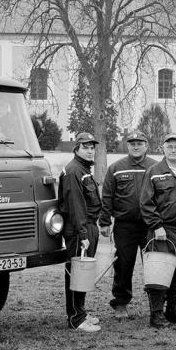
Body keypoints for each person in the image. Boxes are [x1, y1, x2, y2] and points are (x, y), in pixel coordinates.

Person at [138, 133, 176, 328]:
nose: (173, 150)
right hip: (164, 230)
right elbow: (146, 202)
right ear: (162, 148)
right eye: (169, 146)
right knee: (159, 272)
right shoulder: (154, 171)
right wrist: (157, 226)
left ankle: (173, 310)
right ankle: (156, 315)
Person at [98, 129, 156, 320]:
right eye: (132, 143)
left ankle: (156, 304)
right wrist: (105, 221)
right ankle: (121, 303)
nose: (136, 146)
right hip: (125, 225)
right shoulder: (116, 168)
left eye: (140, 143)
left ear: (146, 146)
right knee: (123, 265)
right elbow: (107, 196)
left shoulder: (155, 167)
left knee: (154, 264)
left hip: (150, 225)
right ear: (128, 146)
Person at [57, 132, 104, 332]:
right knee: (77, 273)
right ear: (76, 149)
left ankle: (81, 312)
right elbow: (76, 205)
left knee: (84, 274)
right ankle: (76, 318)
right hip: (79, 229)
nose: (90, 150)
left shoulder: (83, 169)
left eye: (92, 147)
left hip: (88, 226)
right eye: (85, 147)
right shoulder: (74, 171)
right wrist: (83, 234)